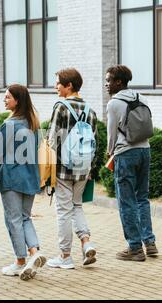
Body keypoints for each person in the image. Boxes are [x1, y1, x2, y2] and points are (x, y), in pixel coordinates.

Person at [46, 68, 98, 269]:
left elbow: (51, 140)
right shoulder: (90, 110)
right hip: (83, 169)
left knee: (63, 211)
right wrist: (90, 169)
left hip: (63, 169)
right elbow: (96, 142)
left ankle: (65, 255)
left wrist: (46, 169)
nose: (55, 87)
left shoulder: (61, 107)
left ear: (69, 86)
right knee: (77, 206)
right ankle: (86, 242)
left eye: (58, 83)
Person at [105, 65, 158, 262]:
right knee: (142, 198)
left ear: (118, 82)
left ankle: (135, 248)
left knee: (126, 201)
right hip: (145, 150)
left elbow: (111, 133)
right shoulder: (141, 97)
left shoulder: (114, 103)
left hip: (126, 154)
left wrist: (110, 153)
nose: (106, 84)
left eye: (109, 80)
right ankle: (149, 243)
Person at [0, 84, 47, 281]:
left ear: (18, 100)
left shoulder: (9, 125)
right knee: (25, 218)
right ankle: (34, 253)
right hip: (30, 177)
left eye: (8, 97)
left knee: (14, 220)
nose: (4, 100)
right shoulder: (32, 123)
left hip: (12, 178)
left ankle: (19, 262)